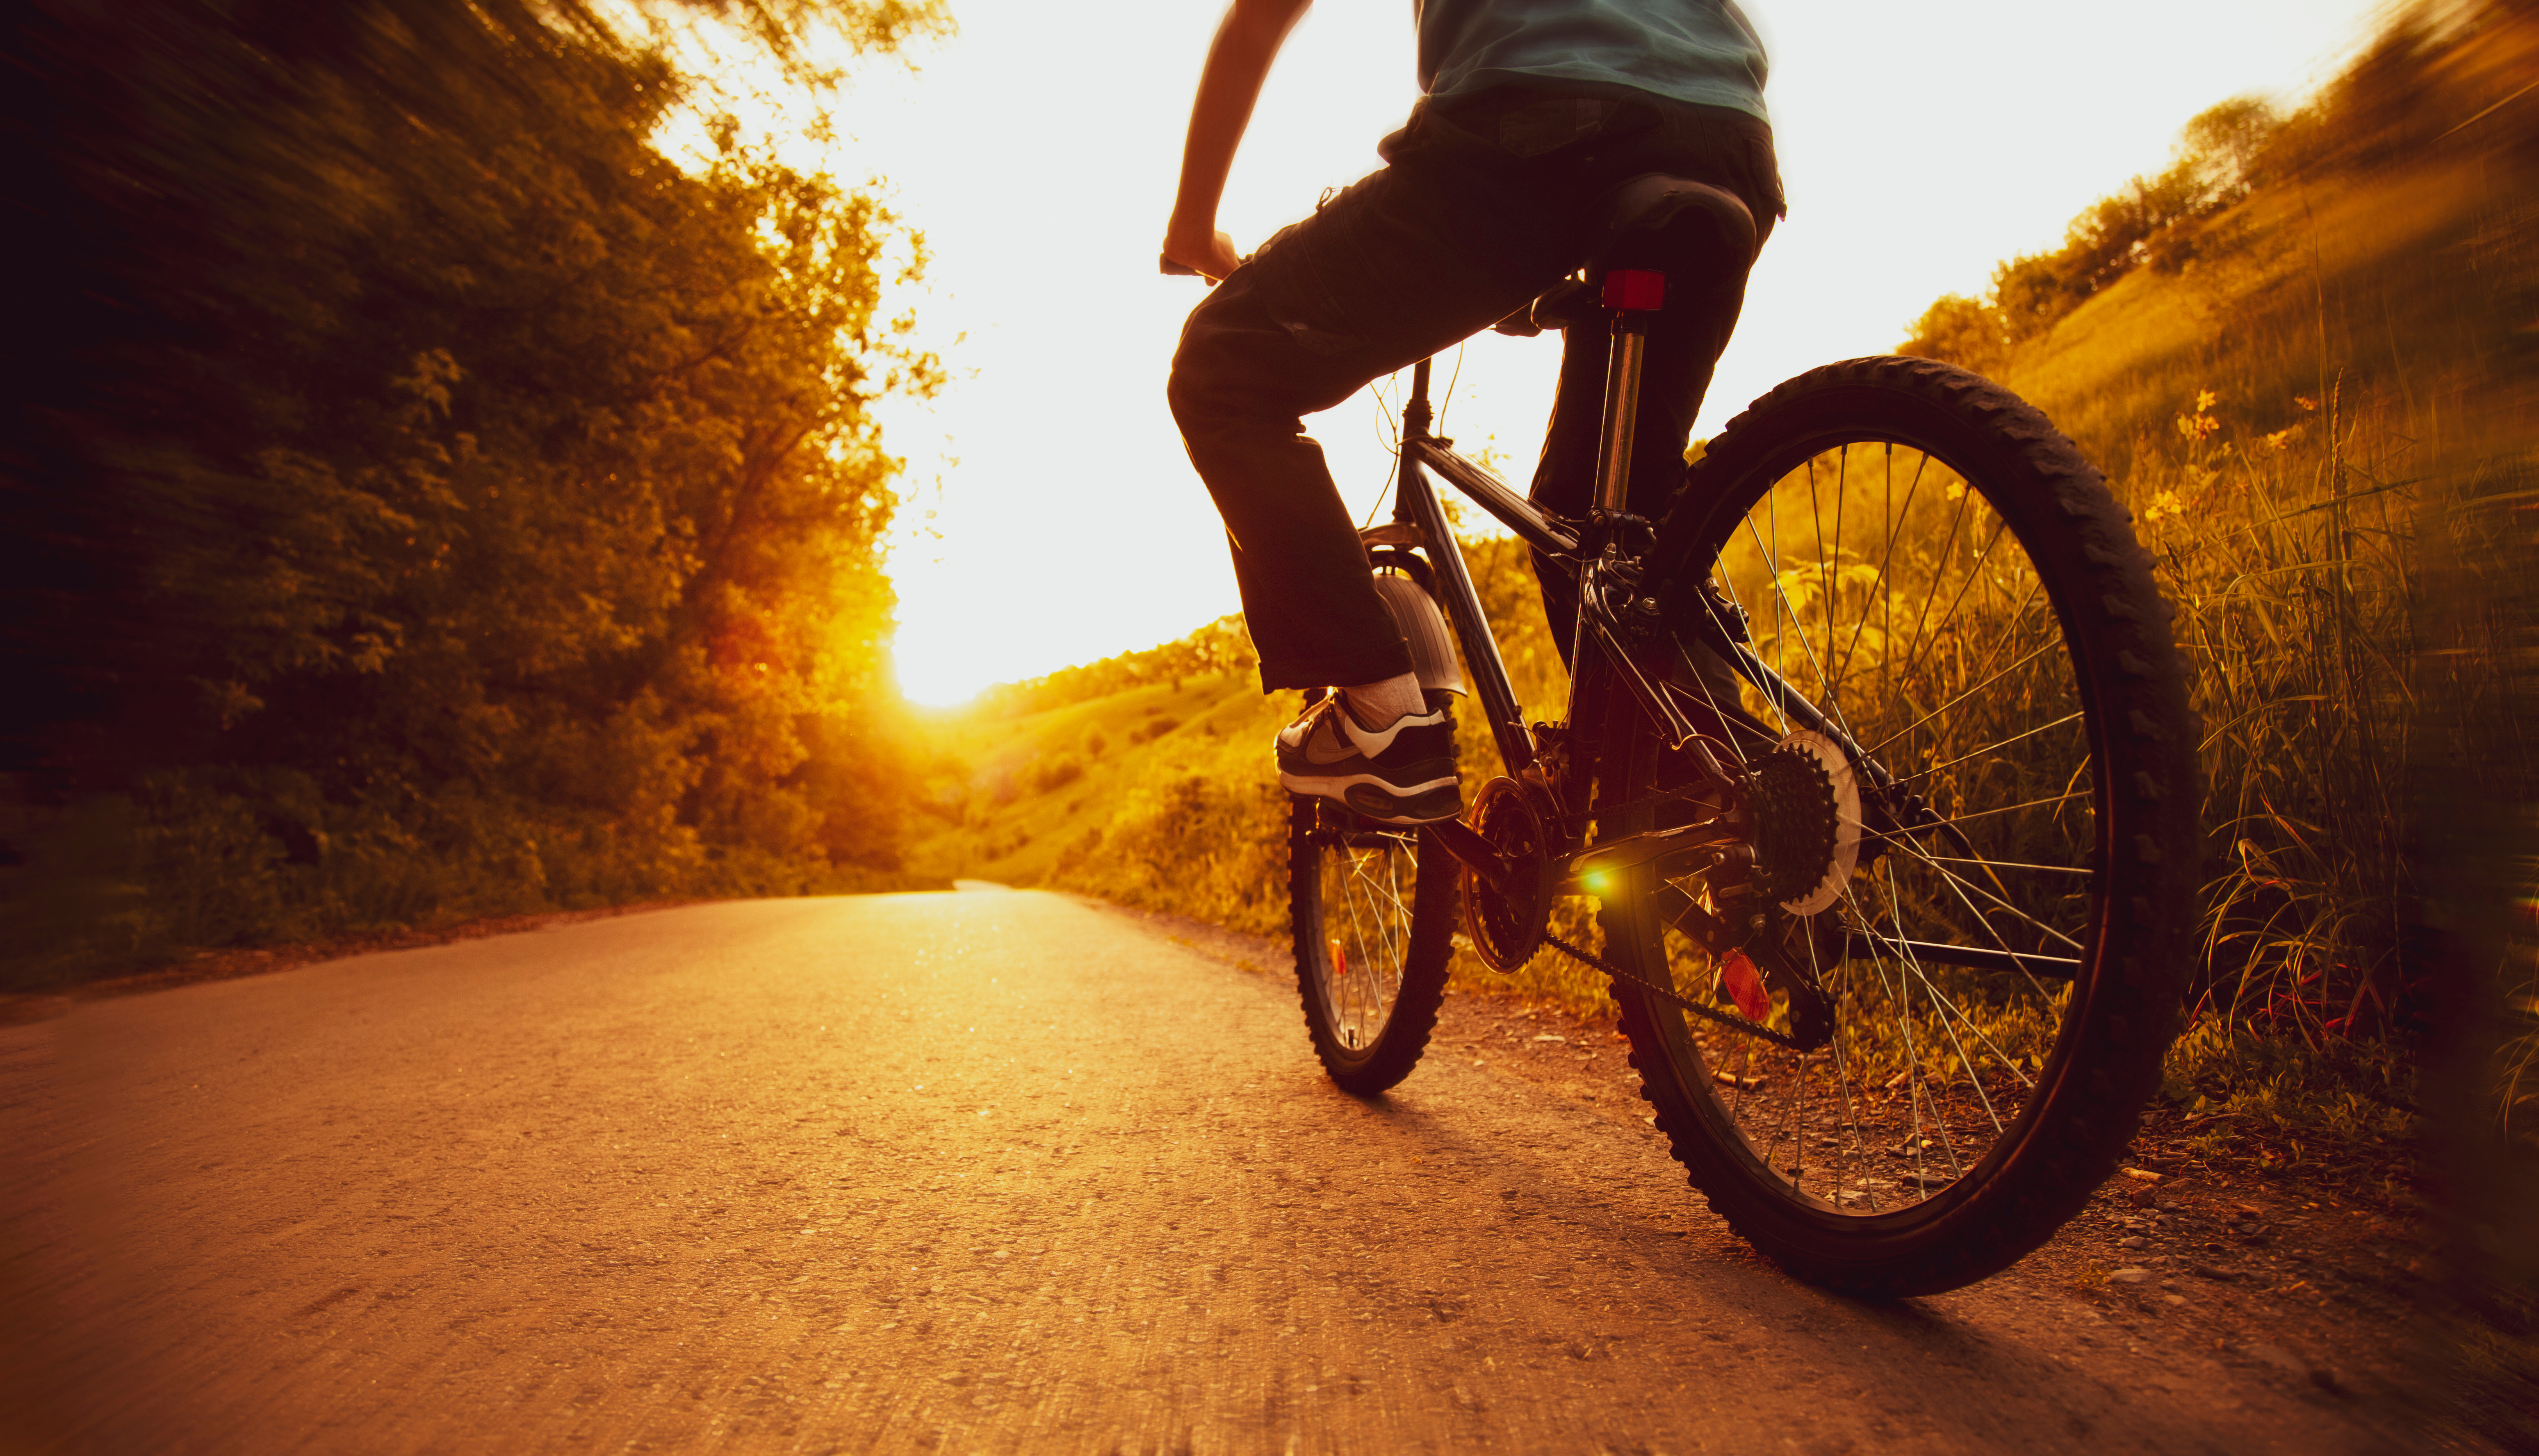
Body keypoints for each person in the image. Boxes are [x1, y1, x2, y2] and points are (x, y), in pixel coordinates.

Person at [1162, 0, 1785, 824]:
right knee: (1600, 525)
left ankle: (1385, 724)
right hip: (1727, 139)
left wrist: (1194, 226)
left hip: (1534, 127)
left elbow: (1255, 24)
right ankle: (1738, 810)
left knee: (1223, 366)